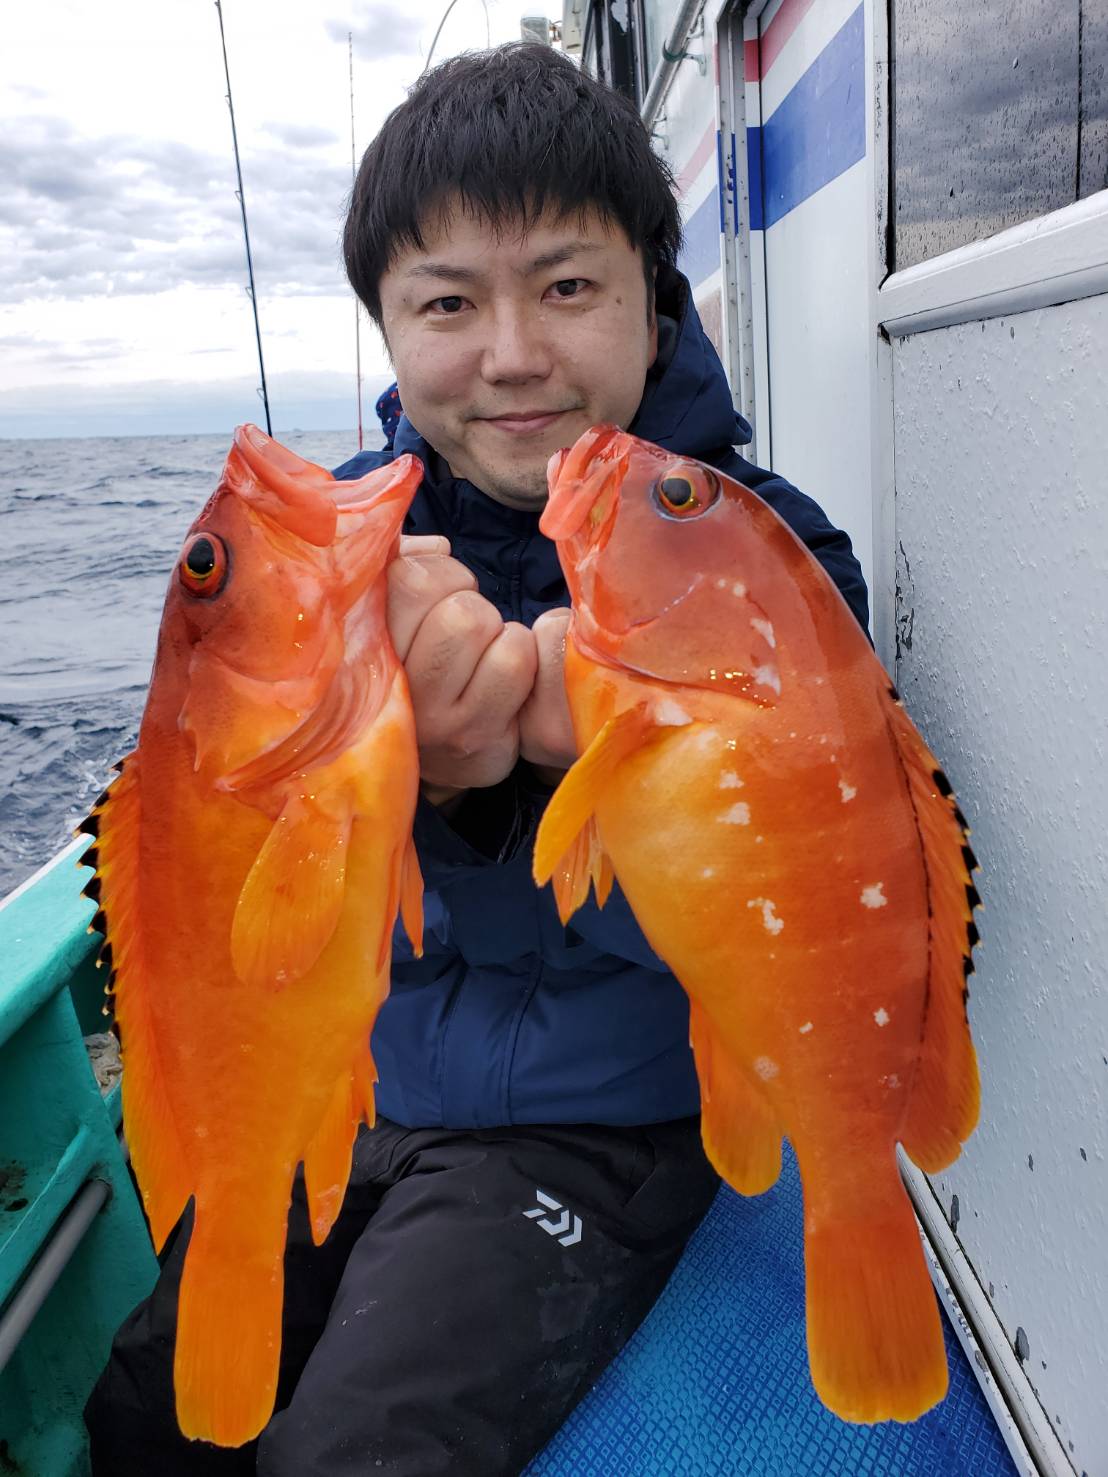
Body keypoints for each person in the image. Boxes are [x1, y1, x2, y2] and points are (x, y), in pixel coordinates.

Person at [85, 42, 869, 1477]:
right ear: (387, 326)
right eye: (447, 302)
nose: (512, 354)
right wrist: (431, 785)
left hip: (598, 1117)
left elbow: (782, 929)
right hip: (362, 1078)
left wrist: (537, 777)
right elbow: (241, 893)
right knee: (141, 1415)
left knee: (350, 1454)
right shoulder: (339, 557)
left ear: (653, 295)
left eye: (566, 286)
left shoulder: (764, 562)